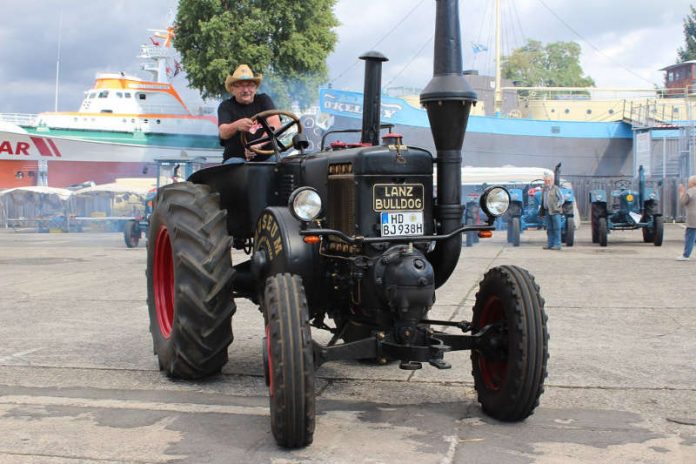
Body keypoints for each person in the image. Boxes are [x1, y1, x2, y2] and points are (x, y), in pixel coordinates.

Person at [217, 64, 280, 163]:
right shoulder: (226, 106)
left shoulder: (263, 100)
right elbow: (223, 133)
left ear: (255, 88)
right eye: (241, 86)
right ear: (233, 89)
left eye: (250, 85)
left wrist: (258, 145)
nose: (246, 90)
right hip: (236, 159)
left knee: (286, 163)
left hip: (267, 157)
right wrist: (237, 125)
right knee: (234, 164)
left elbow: (275, 125)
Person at [540, 172, 564, 250]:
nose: (547, 182)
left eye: (548, 181)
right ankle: (550, 244)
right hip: (547, 211)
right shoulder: (544, 189)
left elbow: (562, 199)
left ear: (552, 181)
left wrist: (557, 206)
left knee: (557, 228)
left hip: (555, 212)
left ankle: (557, 245)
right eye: (545, 181)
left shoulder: (555, 188)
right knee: (549, 229)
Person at [677, 175, 696, 260]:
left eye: (689, 182)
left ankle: (686, 255)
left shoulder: (691, 191)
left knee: (690, 236)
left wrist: (681, 192)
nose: (688, 183)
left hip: (693, 218)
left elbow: (683, 202)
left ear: (692, 182)